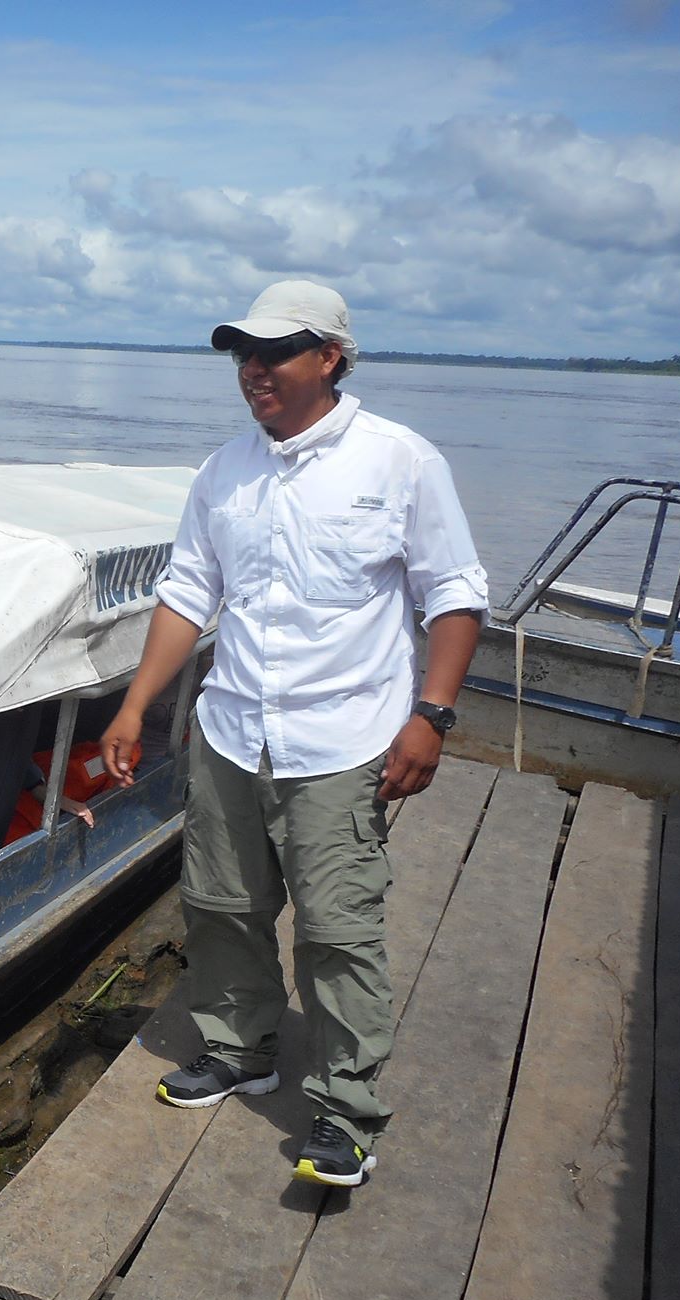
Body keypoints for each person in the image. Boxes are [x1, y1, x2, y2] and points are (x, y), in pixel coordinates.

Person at [99, 280, 487, 1188]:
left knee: (338, 932)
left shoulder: (400, 461)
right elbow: (188, 594)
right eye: (245, 353)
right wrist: (133, 704)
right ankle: (241, 1050)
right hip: (232, 730)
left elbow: (455, 592)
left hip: (343, 741)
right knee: (221, 905)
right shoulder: (223, 472)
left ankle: (347, 1111)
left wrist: (431, 715)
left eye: (276, 352)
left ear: (331, 358)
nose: (255, 369)